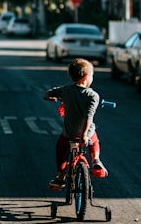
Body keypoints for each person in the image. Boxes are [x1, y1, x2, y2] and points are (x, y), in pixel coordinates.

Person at [43, 58, 108, 189]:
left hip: (69, 133)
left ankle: (60, 177)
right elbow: (88, 116)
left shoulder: (65, 90)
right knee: (94, 140)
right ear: (86, 77)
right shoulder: (93, 96)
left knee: (61, 148)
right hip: (86, 133)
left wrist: (50, 96)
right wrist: (84, 135)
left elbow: (48, 93)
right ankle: (96, 160)